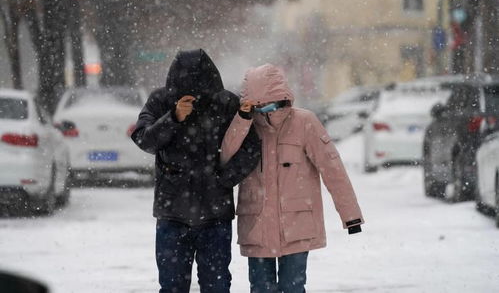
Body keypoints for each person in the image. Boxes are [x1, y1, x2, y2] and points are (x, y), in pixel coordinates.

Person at [221, 64, 364, 293]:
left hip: (296, 223)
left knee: (293, 287)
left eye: (268, 104)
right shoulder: (245, 124)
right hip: (256, 225)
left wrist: (351, 216)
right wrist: (242, 119)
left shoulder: (304, 122)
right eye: (258, 105)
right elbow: (225, 157)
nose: (264, 110)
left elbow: (332, 169)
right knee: (260, 289)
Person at [131, 49, 260, 293]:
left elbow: (251, 146)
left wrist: (225, 179)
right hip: (172, 214)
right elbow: (144, 140)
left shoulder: (225, 102)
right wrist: (173, 117)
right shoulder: (161, 100)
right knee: (172, 286)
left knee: (217, 286)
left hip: (215, 214)